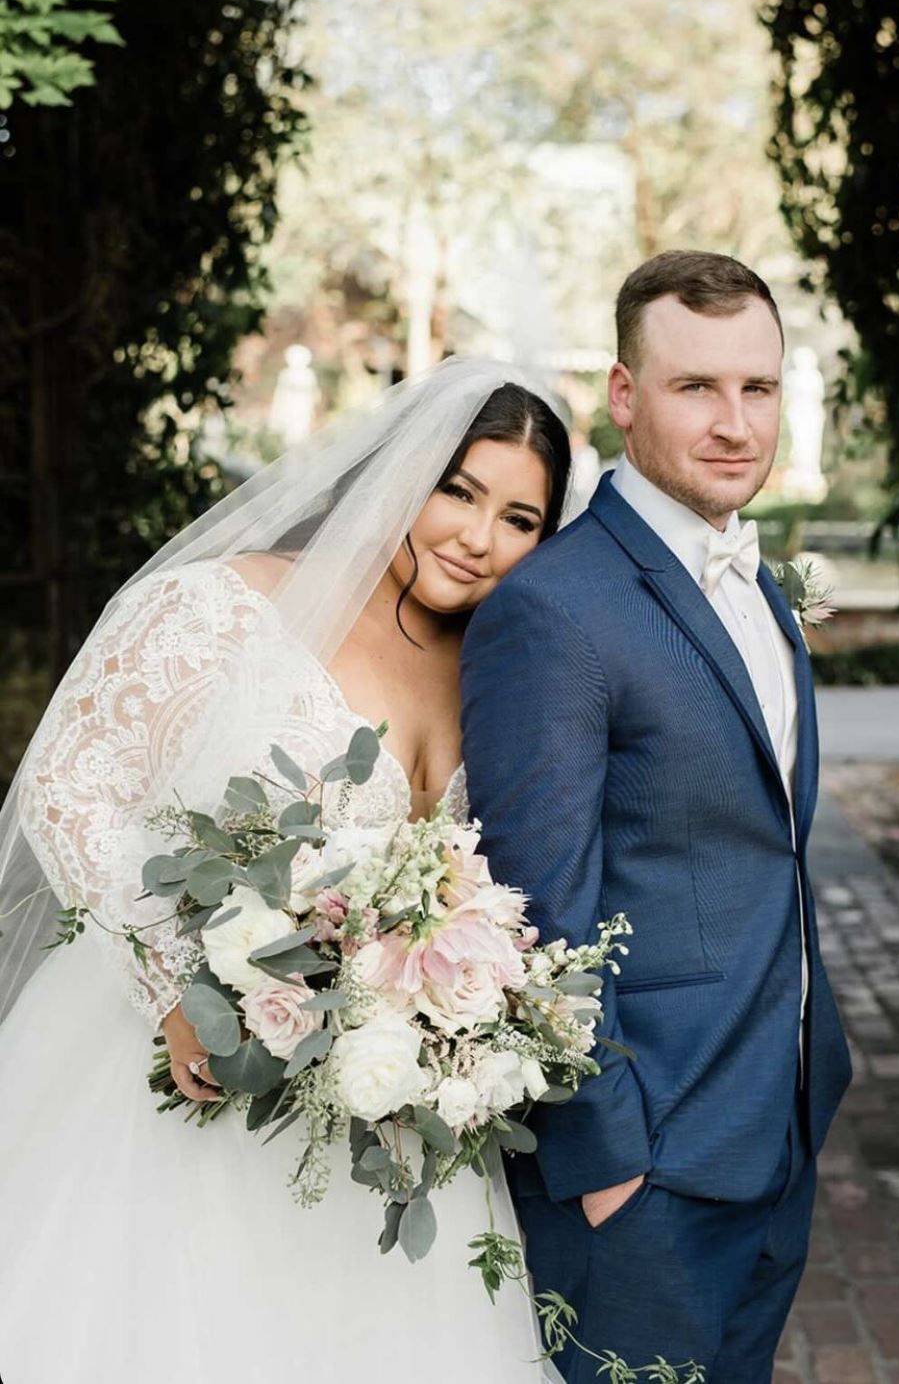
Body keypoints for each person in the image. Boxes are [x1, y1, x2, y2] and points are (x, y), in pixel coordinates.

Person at [0, 359, 571, 1384]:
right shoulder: (225, 604)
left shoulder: (498, 670)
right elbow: (68, 784)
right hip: (164, 1068)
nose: (480, 538)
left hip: (374, 1114)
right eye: (460, 491)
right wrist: (178, 988)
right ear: (404, 473)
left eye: (520, 519)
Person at [461, 251, 854, 1384]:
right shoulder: (553, 609)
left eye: (758, 389)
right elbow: (539, 908)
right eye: (696, 389)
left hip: (775, 1121)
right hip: (645, 1171)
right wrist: (606, 1165)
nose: (736, 423)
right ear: (624, 397)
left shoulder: (760, 586)